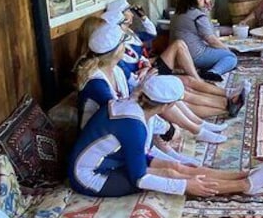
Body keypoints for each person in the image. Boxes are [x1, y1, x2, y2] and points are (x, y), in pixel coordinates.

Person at [69, 81, 263, 198]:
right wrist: (185, 187)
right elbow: (140, 178)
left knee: (175, 166)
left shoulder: (136, 107)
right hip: (90, 177)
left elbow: (143, 153)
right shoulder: (134, 125)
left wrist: (176, 163)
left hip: (112, 160)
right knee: (174, 175)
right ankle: (244, 186)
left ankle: (242, 174)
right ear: (167, 106)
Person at [75, 22, 228, 144]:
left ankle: (198, 126)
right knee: (154, 100)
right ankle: (195, 129)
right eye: (123, 44)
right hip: (99, 136)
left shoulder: (116, 70)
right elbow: (118, 111)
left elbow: (131, 89)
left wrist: (146, 82)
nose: (125, 48)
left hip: (117, 123)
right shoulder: (97, 83)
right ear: (116, 51)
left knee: (159, 94)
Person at [170, 0, 238, 81]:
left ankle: (206, 69)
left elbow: (209, 29)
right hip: (195, 55)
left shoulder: (177, 13)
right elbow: (211, 39)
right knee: (231, 57)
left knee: (217, 53)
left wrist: (206, 10)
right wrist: (226, 49)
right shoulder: (198, 15)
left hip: (178, 55)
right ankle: (213, 73)